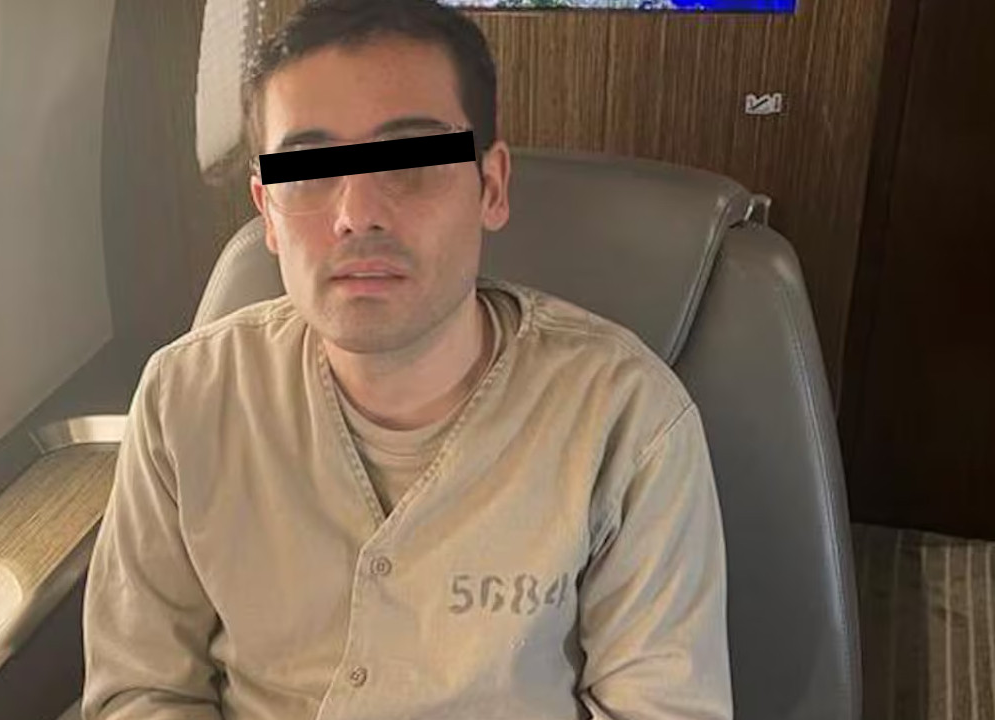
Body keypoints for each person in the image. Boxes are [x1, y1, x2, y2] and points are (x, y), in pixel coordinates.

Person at [82, 0, 731, 718]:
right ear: (266, 211)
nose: (356, 213)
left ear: (491, 187)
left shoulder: (628, 421)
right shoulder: (184, 400)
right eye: (309, 170)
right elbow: (143, 689)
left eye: (411, 161)